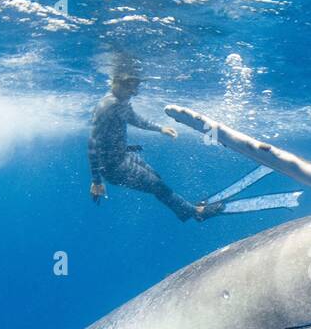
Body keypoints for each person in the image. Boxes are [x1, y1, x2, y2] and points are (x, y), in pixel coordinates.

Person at [87, 72, 221, 221]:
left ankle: (185, 209)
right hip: (113, 167)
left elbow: (133, 118)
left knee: (157, 180)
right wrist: (97, 181)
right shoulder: (109, 105)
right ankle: (195, 212)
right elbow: (93, 144)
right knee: (157, 186)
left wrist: (160, 128)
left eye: (136, 88)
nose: (134, 93)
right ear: (116, 82)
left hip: (123, 156)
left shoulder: (119, 100)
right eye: (131, 88)